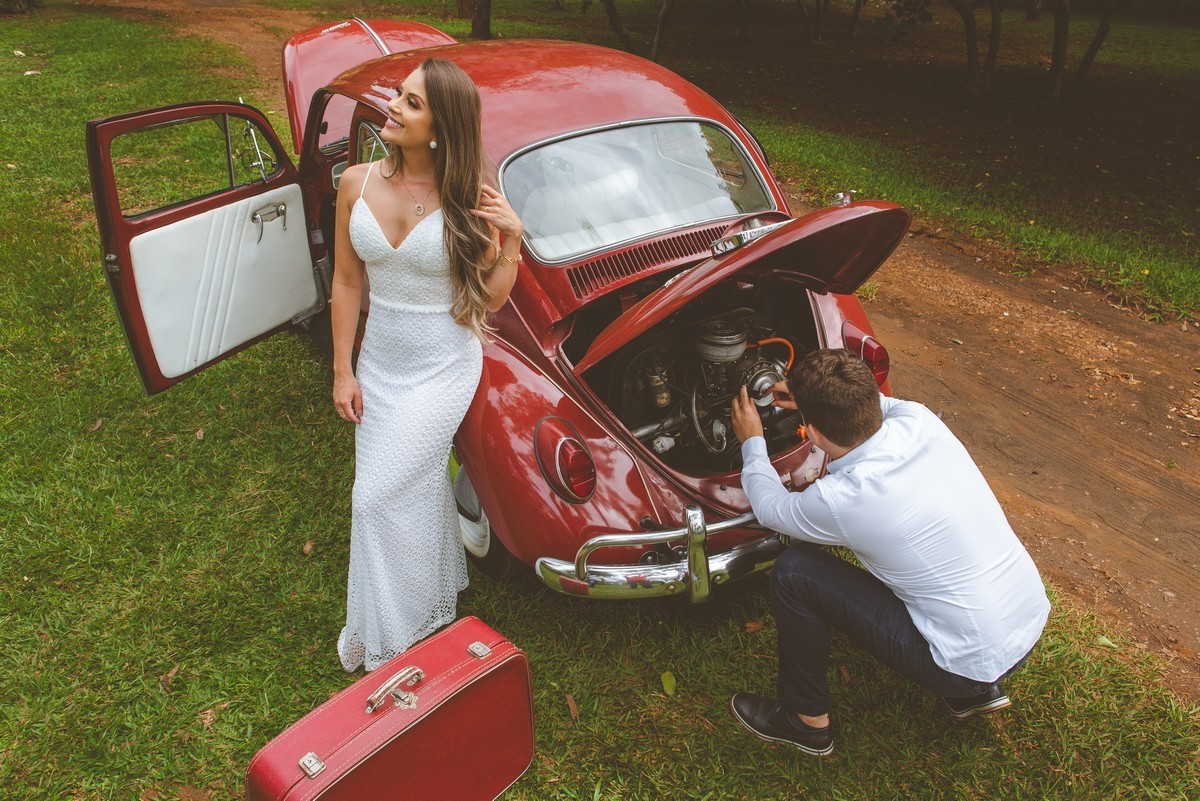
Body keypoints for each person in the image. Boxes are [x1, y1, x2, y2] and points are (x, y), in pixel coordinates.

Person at [728, 348, 1050, 756]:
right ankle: (976, 691)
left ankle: (805, 721)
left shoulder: (844, 498)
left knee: (793, 571)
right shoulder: (920, 420)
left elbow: (771, 510)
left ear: (815, 435)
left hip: (963, 664)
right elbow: (871, 406)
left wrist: (753, 442)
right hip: (1028, 619)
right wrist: (813, 400)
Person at [329, 58, 522, 672]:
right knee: (408, 486)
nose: (393, 106)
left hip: (442, 365)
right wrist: (343, 369)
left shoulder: (468, 200)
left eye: (411, 103)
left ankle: (397, 637)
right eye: (400, 95)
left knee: (375, 498)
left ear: (440, 129)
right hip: (380, 363)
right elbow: (347, 281)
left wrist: (511, 245)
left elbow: (487, 299)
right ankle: (430, 596)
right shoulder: (354, 184)